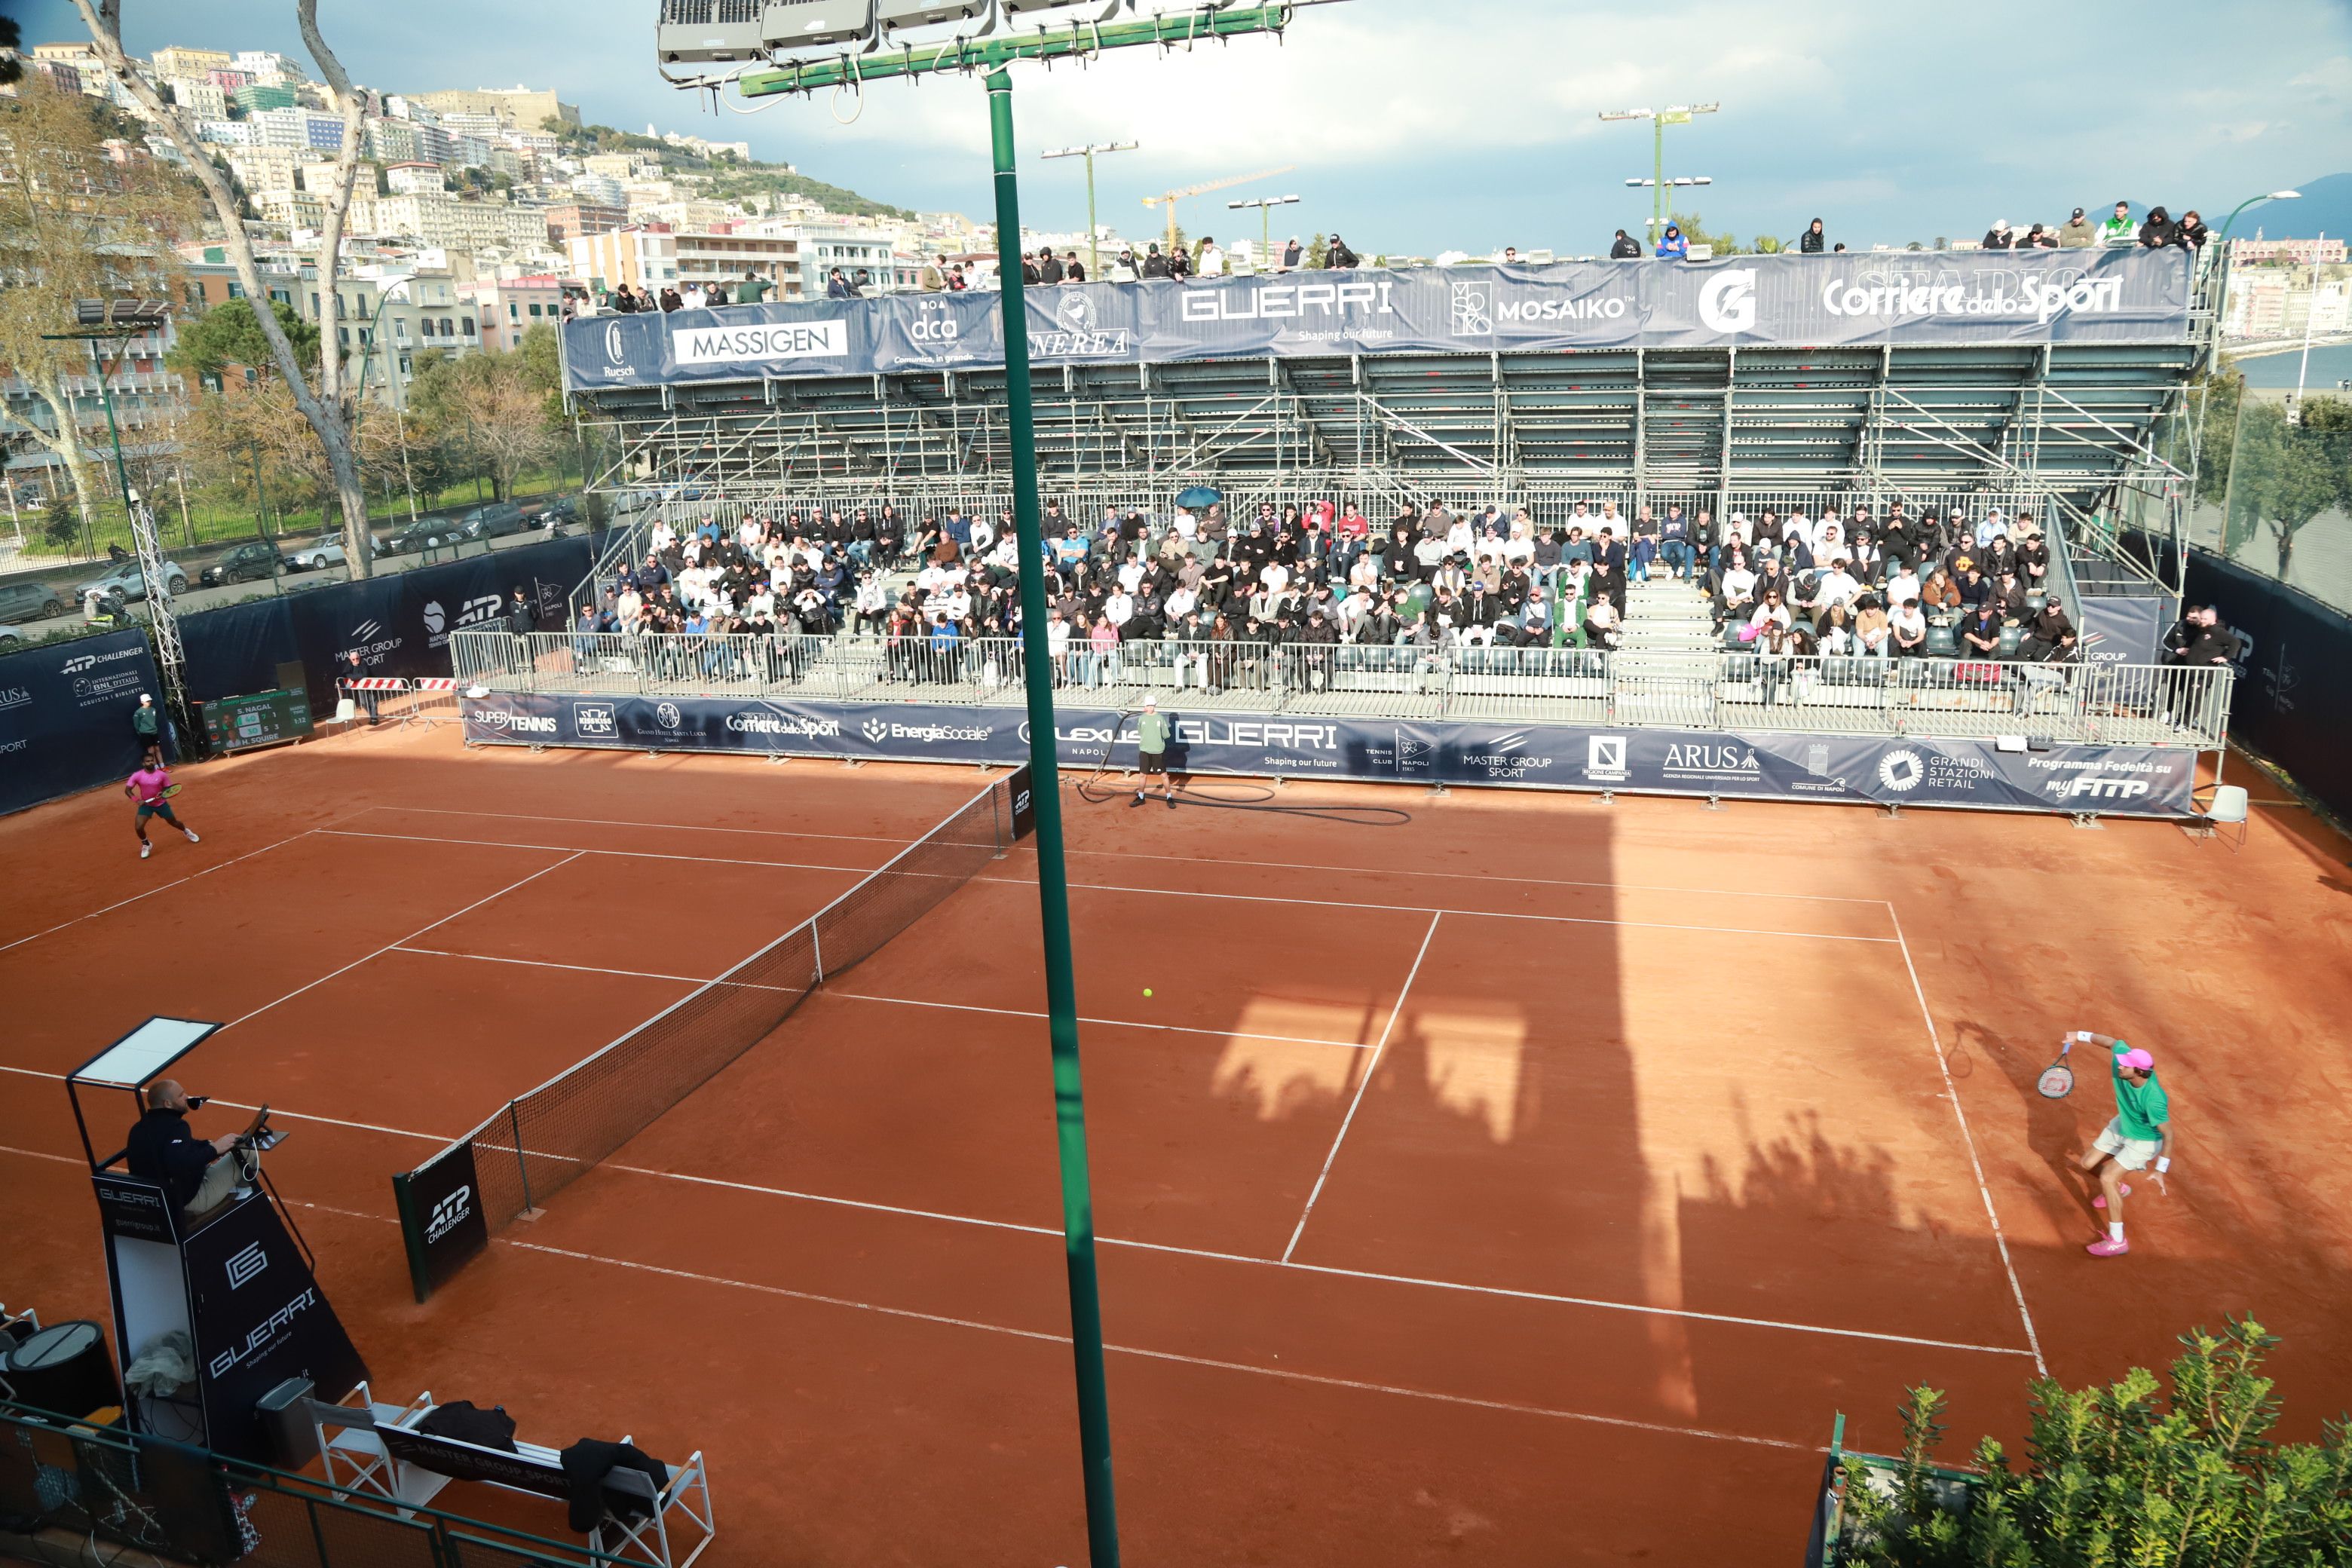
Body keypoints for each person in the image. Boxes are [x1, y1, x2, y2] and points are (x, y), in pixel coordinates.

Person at [2066, 1032, 2174, 1257]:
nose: (2119, 1068)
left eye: (2125, 1067)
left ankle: (2117, 1240)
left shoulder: (2154, 1098)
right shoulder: (2124, 1060)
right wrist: (2079, 1035)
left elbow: (2168, 1134)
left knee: (2107, 1177)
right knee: (2087, 1164)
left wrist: (2161, 1169)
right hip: (2122, 1125)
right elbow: (2112, 1043)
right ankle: (2119, 1189)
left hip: (2143, 1141)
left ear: (2139, 1071)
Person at [125, 1079, 263, 1219]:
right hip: (187, 1202)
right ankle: (240, 1198)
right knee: (247, 1153)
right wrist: (214, 1150)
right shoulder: (177, 1127)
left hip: (155, 1200)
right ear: (167, 1103)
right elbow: (181, 1164)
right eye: (181, 1095)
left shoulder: (137, 1129)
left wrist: (210, 1146)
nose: (187, 1097)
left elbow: (172, 1151)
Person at [125, 752, 198, 859]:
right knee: (139, 827)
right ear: (143, 763)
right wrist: (137, 800)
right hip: (146, 805)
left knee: (174, 822)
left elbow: (168, 788)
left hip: (161, 804)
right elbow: (127, 790)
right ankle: (146, 844)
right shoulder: (137, 775)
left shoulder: (161, 775)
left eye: (152, 760)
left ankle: (186, 831)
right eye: (147, 761)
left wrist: (162, 793)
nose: (150, 763)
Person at [1132, 694, 1174, 808]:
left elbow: (1166, 734)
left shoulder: (1160, 718)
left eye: (1152, 705)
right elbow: (1141, 732)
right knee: (1142, 775)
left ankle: (1169, 797)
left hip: (1158, 751)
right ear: (1145, 707)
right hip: (1145, 751)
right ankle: (1141, 797)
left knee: (1164, 775)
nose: (1150, 708)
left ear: (1155, 705)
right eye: (1148, 706)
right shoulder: (1141, 719)